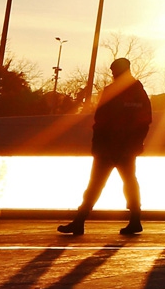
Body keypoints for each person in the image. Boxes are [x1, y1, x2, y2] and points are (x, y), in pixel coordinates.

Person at [58, 57, 152, 236]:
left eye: (114, 70)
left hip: (113, 146)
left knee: (99, 184)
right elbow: (143, 120)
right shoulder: (137, 91)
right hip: (119, 147)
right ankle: (134, 219)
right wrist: (135, 143)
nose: (112, 74)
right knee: (126, 182)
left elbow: (102, 120)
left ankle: (81, 221)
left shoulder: (124, 91)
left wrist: (101, 143)